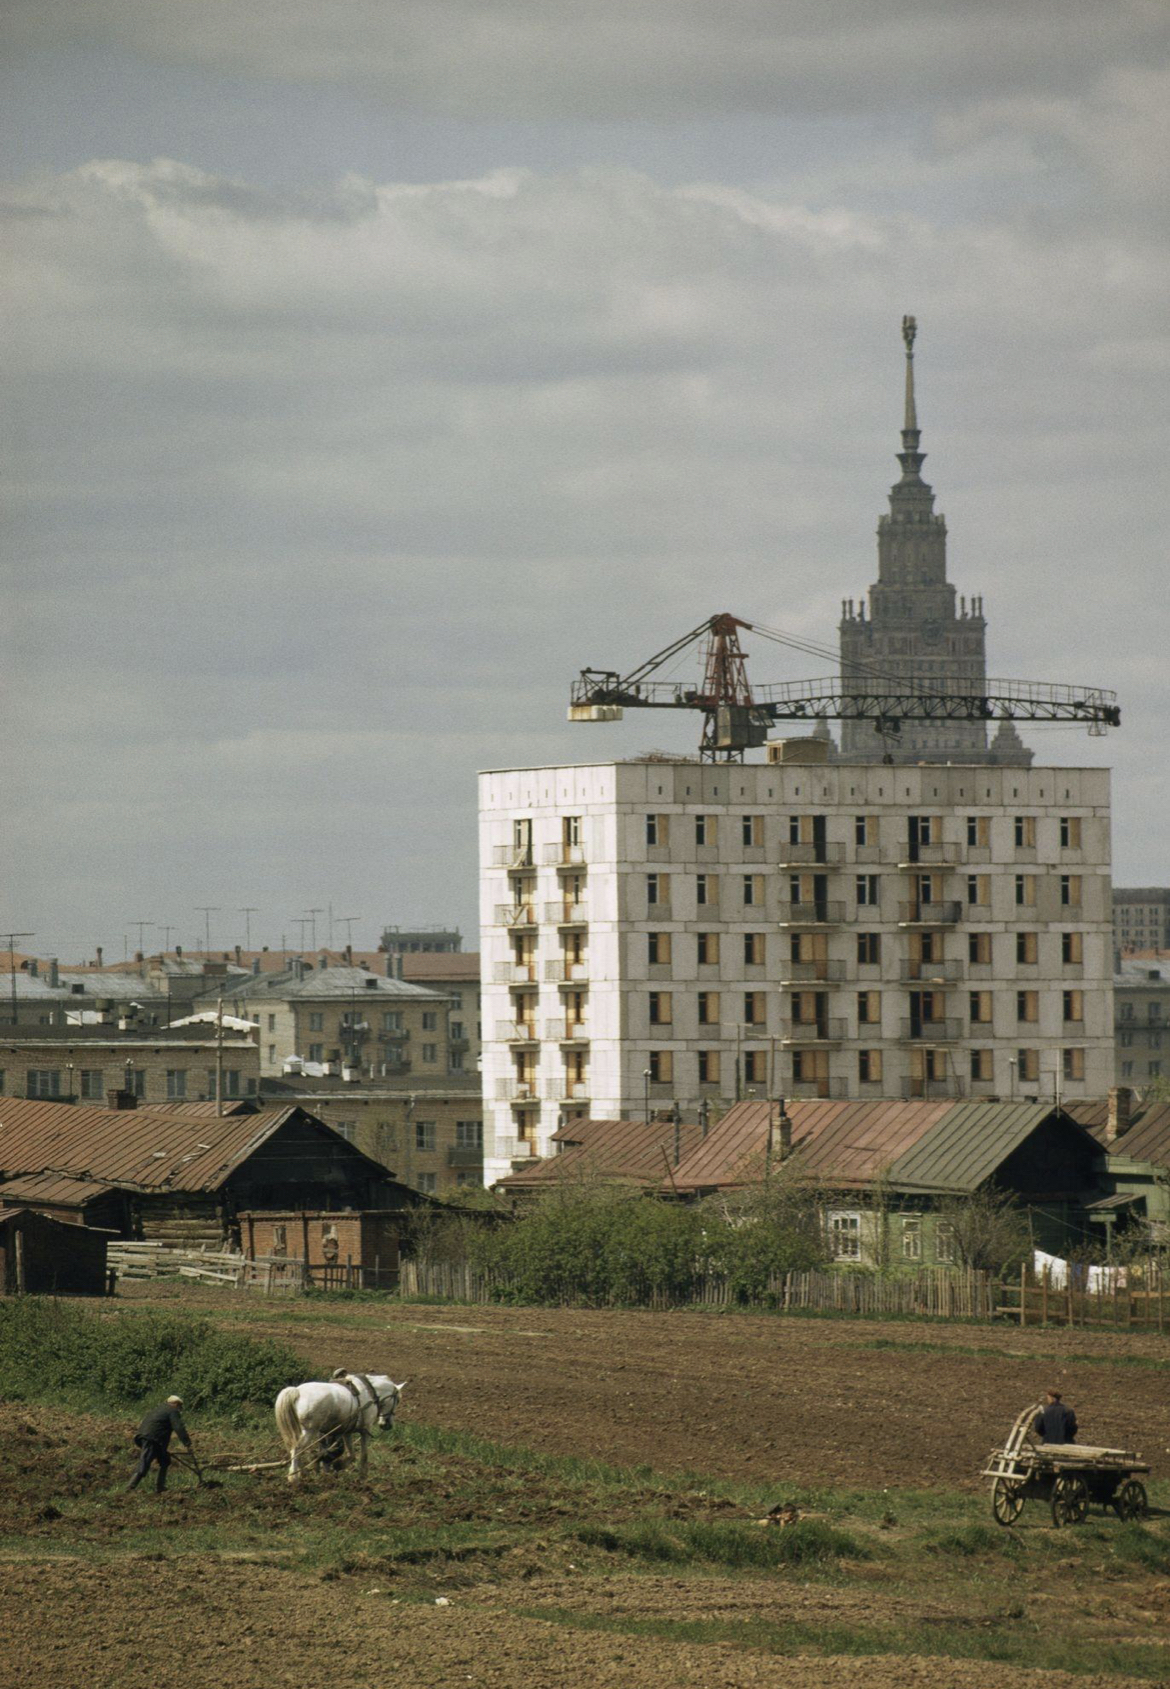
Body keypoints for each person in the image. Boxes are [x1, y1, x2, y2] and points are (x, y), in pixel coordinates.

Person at [128, 1394, 193, 1493]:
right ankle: (130, 1486)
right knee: (145, 1461)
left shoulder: (160, 1408)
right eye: (180, 1406)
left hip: (146, 1437)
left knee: (165, 1461)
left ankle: (160, 1487)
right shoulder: (172, 1411)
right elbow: (179, 1427)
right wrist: (187, 1443)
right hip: (152, 1439)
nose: (180, 1409)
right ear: (175, 1404)